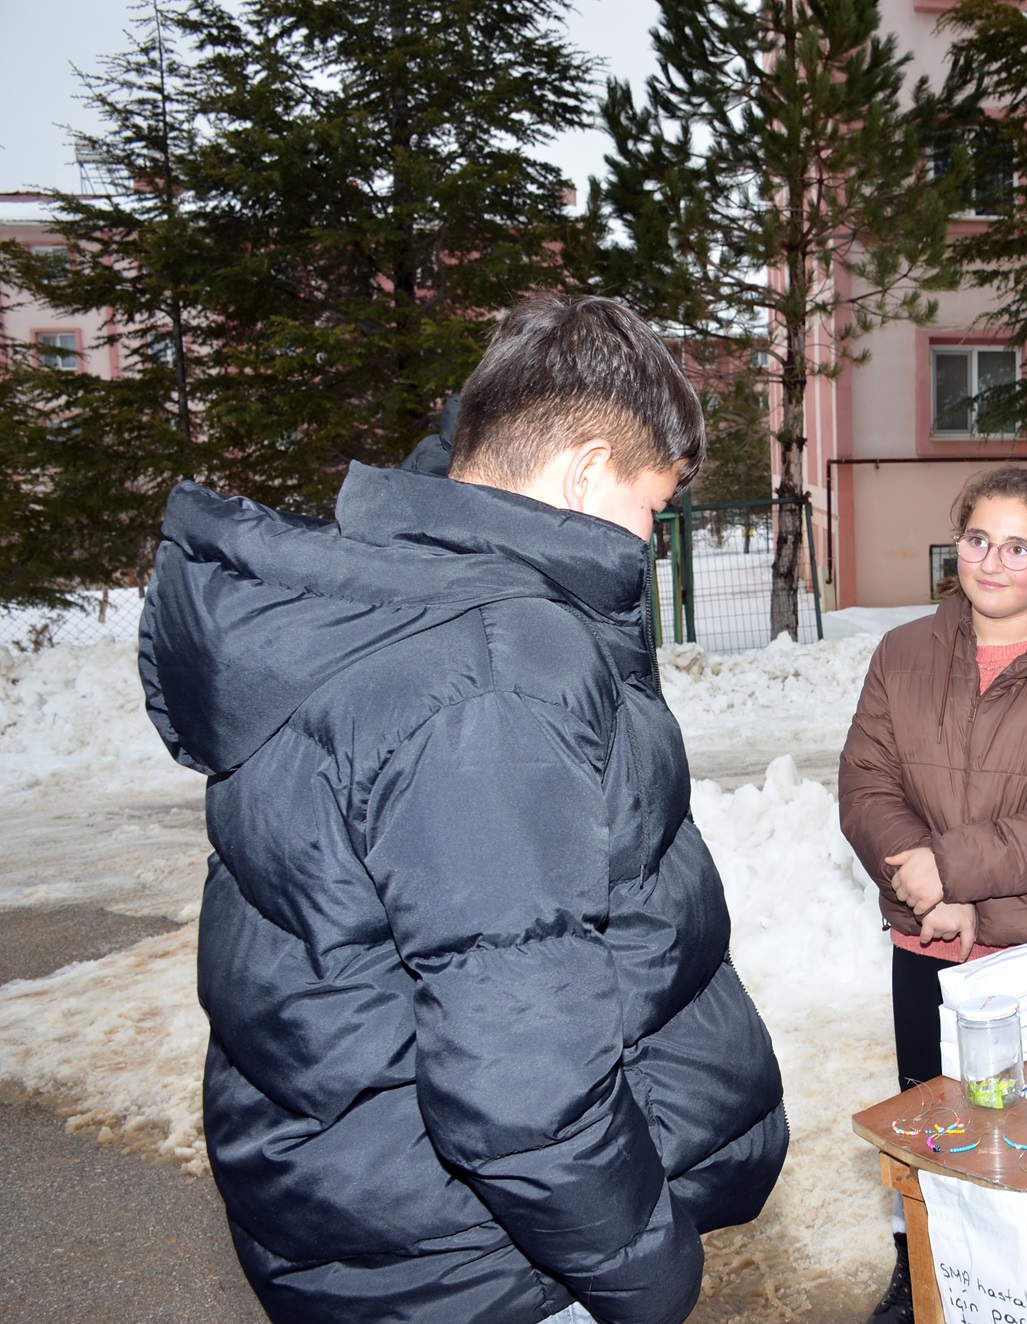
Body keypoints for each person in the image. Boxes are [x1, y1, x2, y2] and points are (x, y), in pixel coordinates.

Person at [137, 294, 788, 1324]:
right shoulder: (492, 675)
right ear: (582, 471)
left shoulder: (398, 605)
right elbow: (519, 1082)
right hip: (484, 1268)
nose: (644, 545)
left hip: (384, 1226)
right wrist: (647, 1270)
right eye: (648, 509)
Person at [839, 465, 1027, 1324]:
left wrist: (955, 869)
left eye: (1019, 546)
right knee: (930, 1134)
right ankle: (922, 1273)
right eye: (978, 540)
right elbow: (865, 783)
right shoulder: (904, 652)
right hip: (925, 947)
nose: (993, 561)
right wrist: (924, 882)